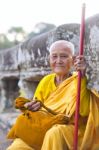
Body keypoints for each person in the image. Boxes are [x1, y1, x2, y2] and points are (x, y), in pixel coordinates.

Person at [7, 40, 99, 150]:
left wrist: (83, 77)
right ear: (49, 59)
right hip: (45, 126)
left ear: (74, 60)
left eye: (64, 56)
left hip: (70, 129)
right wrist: (31, 107)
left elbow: (83, 112)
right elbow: (38, 112)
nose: (58, 61)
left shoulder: (78, 80)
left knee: (55, 132)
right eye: (54, 56)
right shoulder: (46, 81)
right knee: (18, 145)